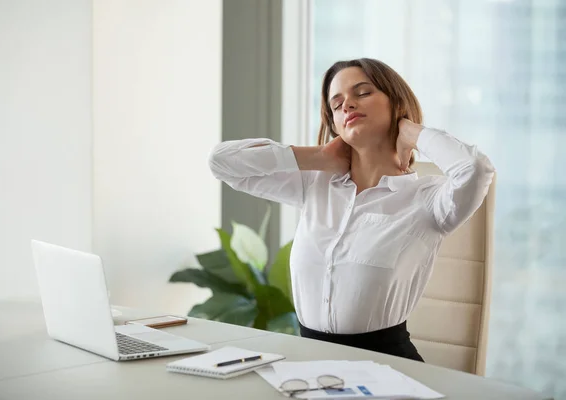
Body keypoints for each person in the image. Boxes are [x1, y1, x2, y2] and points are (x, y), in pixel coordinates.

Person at [208, 58, 495, 362]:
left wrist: (412, 133)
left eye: (362, 93)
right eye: (336, 103)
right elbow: (222, 162)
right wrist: (316, 156)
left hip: (388, 369)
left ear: (397, 104)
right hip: (308, 366)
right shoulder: (315, 186)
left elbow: (475, 169)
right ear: (333, 124)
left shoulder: (429, 201)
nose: (347, 105)